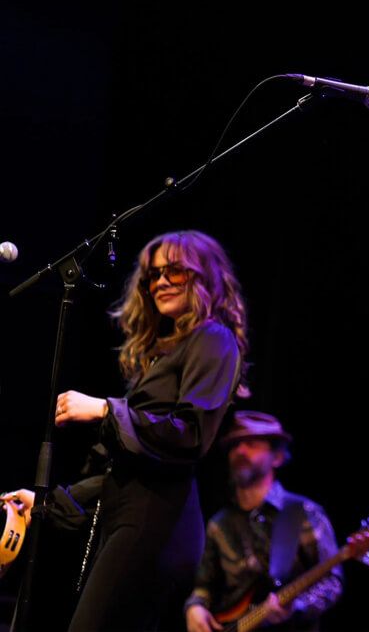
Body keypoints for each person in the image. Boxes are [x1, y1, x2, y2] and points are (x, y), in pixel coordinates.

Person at [6, 229, 248, 630]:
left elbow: (189, 434)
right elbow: (122, 472)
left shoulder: (214, 339)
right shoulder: (166, 354)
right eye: (153, 274)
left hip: (159, 521)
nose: (161, 282)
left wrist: (105, 410)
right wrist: (45, 503)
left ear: (204, 277)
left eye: (175, 271)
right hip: (134, 516)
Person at [184, 411, 342, 632]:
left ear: (277, 457)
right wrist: (195, 607)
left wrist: (297, 607)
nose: (240, 451)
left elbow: (331, 581)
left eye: (251, 444)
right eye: (234, 445)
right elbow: (204, 586)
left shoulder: (303, 512)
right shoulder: (219, 524)